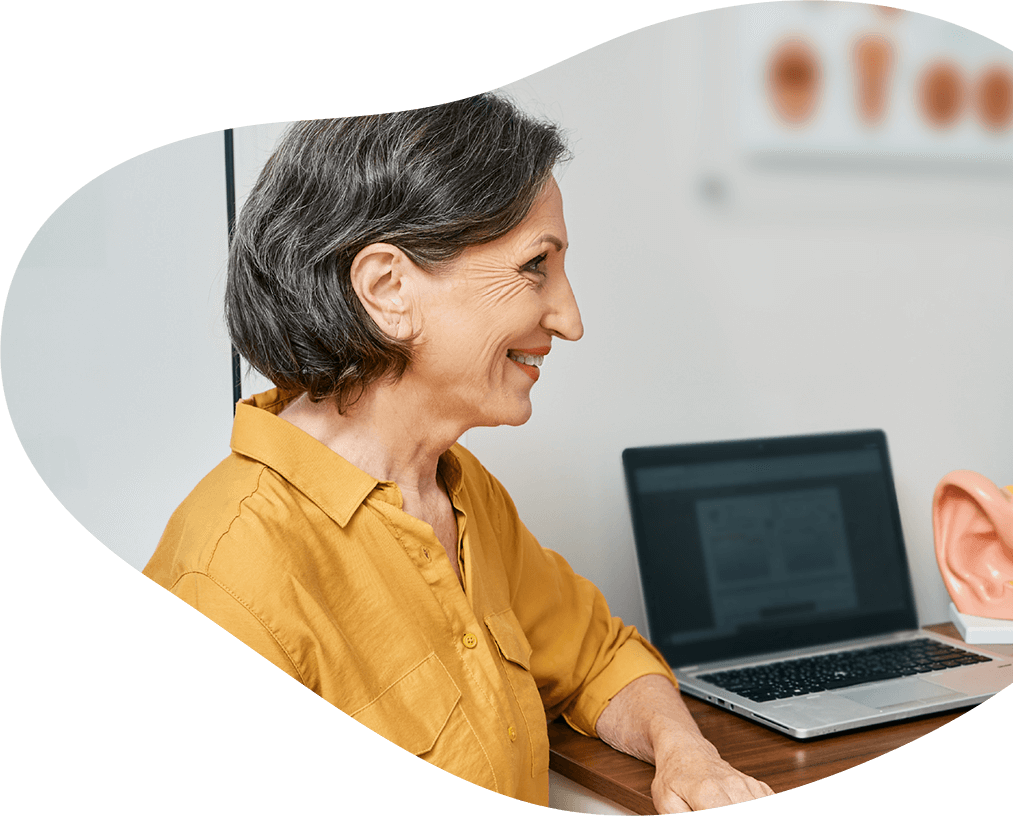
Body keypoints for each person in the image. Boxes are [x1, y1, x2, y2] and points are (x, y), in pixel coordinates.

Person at [143, 99, 772, 811]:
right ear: (388, 289)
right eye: (536, 266)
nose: (570, 319)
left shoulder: (460, 492)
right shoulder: (227, 578)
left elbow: (600, 655)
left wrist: (686, 756)